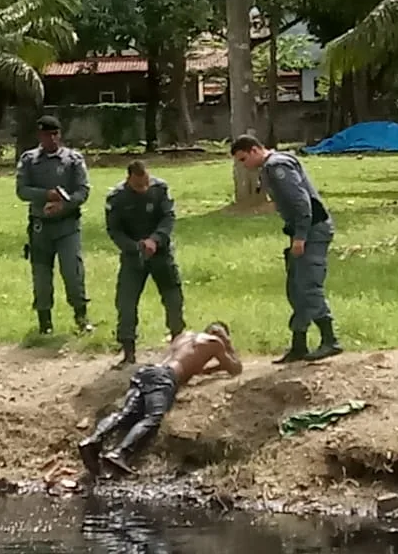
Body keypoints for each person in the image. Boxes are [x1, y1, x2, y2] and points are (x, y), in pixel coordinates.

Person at [231, 134, 342, 364]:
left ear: (254, 150)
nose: (244, 165)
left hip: (312, 230)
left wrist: (301, 236)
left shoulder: (277, 166)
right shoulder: (270, 167)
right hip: (300, 232)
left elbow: (302, 202)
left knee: (308, 285)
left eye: (243, 159)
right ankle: (298, 344)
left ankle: (330, 339)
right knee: (295, 287)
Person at [77, 322, 242, 477]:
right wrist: (227, 343)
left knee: (125, 413)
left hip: (148, 371)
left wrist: (212, 369)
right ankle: (120, 453)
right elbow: (235, 368)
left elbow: (194, 368)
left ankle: (94, 439)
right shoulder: (215, 342)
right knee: (153, 417)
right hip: (164, 378)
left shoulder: (185, 336)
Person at [15, 115, 93, 334]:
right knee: (41, 276)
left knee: (72, 271)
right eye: (46, 135)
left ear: (60, 134)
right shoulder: (30, 160)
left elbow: (83, 190)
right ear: (39, 136)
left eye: (54, 134)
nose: (51, 139)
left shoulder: (73, 159)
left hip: (67, 226)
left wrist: (63, 205)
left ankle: (81, 316)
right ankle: (44, 321)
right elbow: (22, 190)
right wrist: (45, 195)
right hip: (40, 227)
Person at [105, 160, 185, 368]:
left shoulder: (159, 190)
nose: (143, 188)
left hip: (160, 253)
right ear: (128, 178)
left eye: (146, 183)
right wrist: (134, 246)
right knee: (126, 300)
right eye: (138, 185)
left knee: (172, 296)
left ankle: (178, 341)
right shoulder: (117, 198)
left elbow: (168, 218)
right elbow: (114, 230)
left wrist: (155, 240)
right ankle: (128, 350)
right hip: (133, 256)